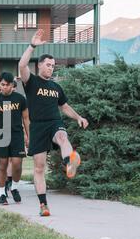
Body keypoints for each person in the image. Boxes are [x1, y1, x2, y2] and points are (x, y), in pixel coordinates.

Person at [18, 29, 89, 216]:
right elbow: (22, 65)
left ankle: (69, 162)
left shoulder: (56, 87)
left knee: (62, 136)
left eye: (53, 65)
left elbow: (64, 107)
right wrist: (32, 45)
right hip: (37, 126)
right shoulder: (31, 82)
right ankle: (43, 205)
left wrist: (79, 117)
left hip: (54, 122)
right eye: (48, 65)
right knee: (39, 167)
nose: (51, 68)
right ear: (40, 65)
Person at [0, 72, 29, 205]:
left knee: (17, 164)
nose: (4, 87)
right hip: (0, 136)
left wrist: (29, 136)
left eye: (7, 85)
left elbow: (26, 119)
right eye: (2, 84)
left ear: (12, 85)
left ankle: (14, 188)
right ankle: (2, 193)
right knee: (2, 165)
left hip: (16, 136)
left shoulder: (20, 99)